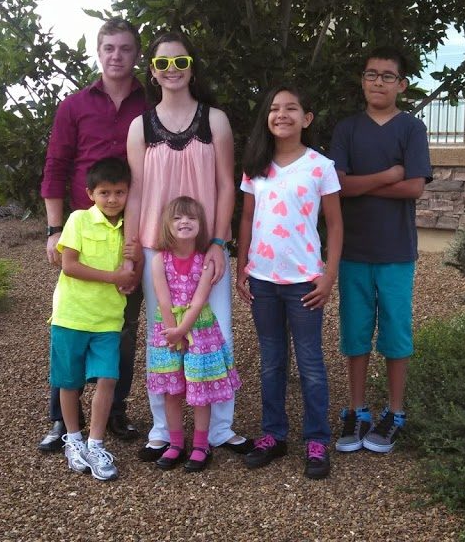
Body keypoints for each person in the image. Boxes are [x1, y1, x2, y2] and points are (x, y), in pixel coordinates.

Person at [124, 30, 250, 461]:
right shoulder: (139, 127)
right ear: (153, 73)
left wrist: (218, 241)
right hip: (157, 251)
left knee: (215, 335)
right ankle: (164, 428)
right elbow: (137, 193)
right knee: (163, 337)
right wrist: (131, 250)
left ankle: (218, 429)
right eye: (163, 64)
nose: (172, 70)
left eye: (180, 62)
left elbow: (224, 184)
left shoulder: (214, 120)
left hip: (207, 249)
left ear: (192, 67)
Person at [38, 18, 145, 452]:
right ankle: (62, 420)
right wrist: (54, 228)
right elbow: (56, 166)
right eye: (109, 48)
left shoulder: (151, 104)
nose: (116, 56)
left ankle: (115, 409)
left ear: (136, 55)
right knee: (73, 323)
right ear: (98, 53)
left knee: (123, 325)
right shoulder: (74, 106)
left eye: (124, 48)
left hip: (132, 227)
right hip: (85, 227)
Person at [328, 46, 432, 454]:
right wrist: (390, 173)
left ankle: (395, 413)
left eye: (387, 76)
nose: (378, 82)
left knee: (395, 333)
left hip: (395, 252)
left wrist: (365, 181)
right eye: (371, 74)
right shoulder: (347, 129)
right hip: (353, 250)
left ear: (401, 85)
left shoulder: (411, 129)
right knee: (354, 334)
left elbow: (415, 187)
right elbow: (339, 185)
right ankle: (357, 410)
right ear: (362, 79)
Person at [235, 85, 343, 480]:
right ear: (267, 117)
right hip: (263, 280)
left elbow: (334, 225)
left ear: (307, 118)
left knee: (311, 362)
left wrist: (328, 275)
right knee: (271, 361)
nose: (282, 114)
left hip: (304, 283)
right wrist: (242, 263)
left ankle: (316, 439)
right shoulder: (256, 164)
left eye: (291, 108)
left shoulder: (320, 166)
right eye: (275, 109)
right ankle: (274, 434)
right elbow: (246, 218)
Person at [49, 157, 137, 481]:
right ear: (90, 194)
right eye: (105, 193)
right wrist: (113, 277)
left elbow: (130, 273)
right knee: (69, 382)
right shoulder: (78, 220)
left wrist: (130, 276)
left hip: (108, 319)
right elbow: (68, 264)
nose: (112, 199)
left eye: (119, 192)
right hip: (71, 316)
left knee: (108, 378)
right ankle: (72, 440)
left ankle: (95, 443)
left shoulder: (130, 227)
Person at [148, 196, 241, 472]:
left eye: (191, 218)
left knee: (201, 389)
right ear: (167, 225)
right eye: (177, 218)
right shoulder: (158, 260)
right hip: (167, 330)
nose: (184, 222)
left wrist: (182, 330)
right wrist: (172, 334)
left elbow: (199, 300)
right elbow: (163, 299)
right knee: (171, 391)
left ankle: (201, 444)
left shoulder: (207, 261)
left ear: (201, 225)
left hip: (200, 331)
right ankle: (175, 443)